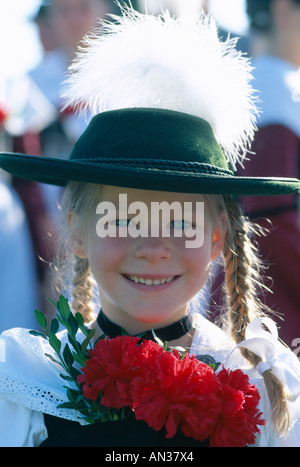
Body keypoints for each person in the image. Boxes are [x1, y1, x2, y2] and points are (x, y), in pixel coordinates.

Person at [0, 6, 299, 448]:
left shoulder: (265, 389)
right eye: (122, 219)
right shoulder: (20, 385)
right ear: (77, 231)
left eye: (181, 222)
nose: (154, 247)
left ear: (218, 237)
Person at [236, 0, 300, 348]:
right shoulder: (275, 88)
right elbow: (269, 218)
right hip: (276, 301)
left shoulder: (273, 83)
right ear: (282, 10)